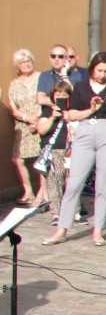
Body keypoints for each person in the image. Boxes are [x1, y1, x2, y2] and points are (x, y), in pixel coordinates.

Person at [43, 52, 106, 247]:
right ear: (92, 69)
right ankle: (61, 229)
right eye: (99, 70)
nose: (103, 74)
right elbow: (71, 115)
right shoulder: (81, 87)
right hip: (85, 130)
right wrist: (91, 109)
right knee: (74, 182)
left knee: (103, 184)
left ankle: (98, 230)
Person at [36, 79, 76, 225]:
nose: (61, 96)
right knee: (55, 180)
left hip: (71, 148)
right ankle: (56, 213)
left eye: (64, 94)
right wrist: (53, 116)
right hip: (54, 149)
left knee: (73, 180)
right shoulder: (47, 111)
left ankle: (75, 212)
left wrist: (69, 117)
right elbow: (41, 129)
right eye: (58, 94)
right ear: (53, 95)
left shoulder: (73, 110)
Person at [8, 48, 44, 205]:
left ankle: (42, 194)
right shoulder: (14, 84)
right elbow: (13, 107)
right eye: (22, 62)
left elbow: (45, 98)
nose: (26, 64)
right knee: (17, 159)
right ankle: (27, 191)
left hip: (40, 121)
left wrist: (36, 119)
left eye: (28, 61)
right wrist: (26, 118)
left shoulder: (41, 77)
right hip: (22, 126)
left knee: (41, 158)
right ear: (18, 66)